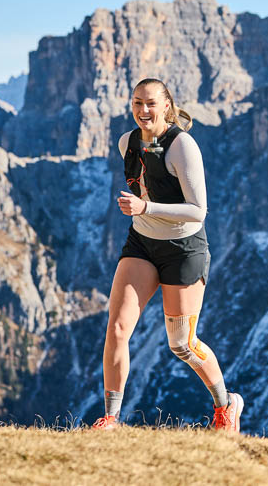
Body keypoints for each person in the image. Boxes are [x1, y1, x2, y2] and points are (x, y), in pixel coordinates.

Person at [92, 78, 244, 433]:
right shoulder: (125, 143)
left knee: (182, 344)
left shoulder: (182, 146)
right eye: (137, 103)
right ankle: (111, 418)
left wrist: (145, 206)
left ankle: (226, 405)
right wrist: (144, 213)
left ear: (166, 106)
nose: (143, 111)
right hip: (142, 244)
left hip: (183, 249)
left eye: (150, 104)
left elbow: (198, 210)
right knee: (117, 328)